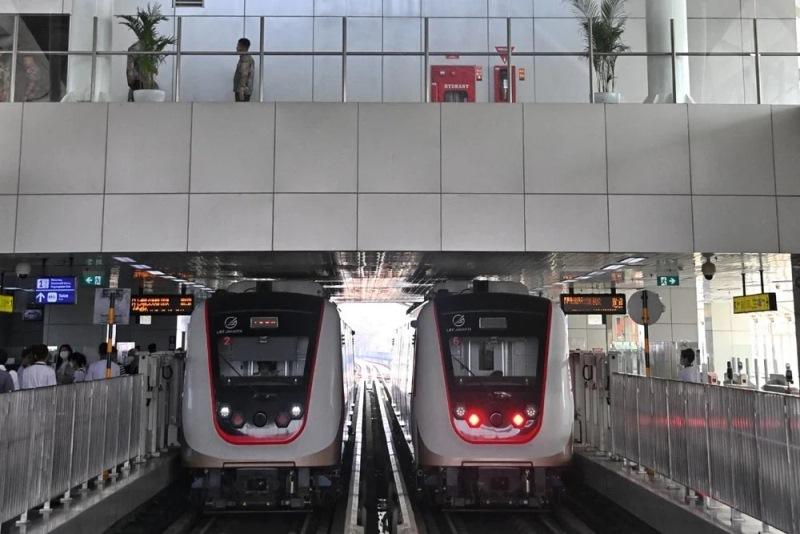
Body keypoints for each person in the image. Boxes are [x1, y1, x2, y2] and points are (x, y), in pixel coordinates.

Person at [233, 38, 254, 102]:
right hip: (243, 90)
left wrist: (242, 89)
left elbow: (244, 74)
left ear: (243, 47)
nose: (236, 47)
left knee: (241, 108)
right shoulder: (245, 58)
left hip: (242, 91)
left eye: (238, 45)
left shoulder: (245, 58)